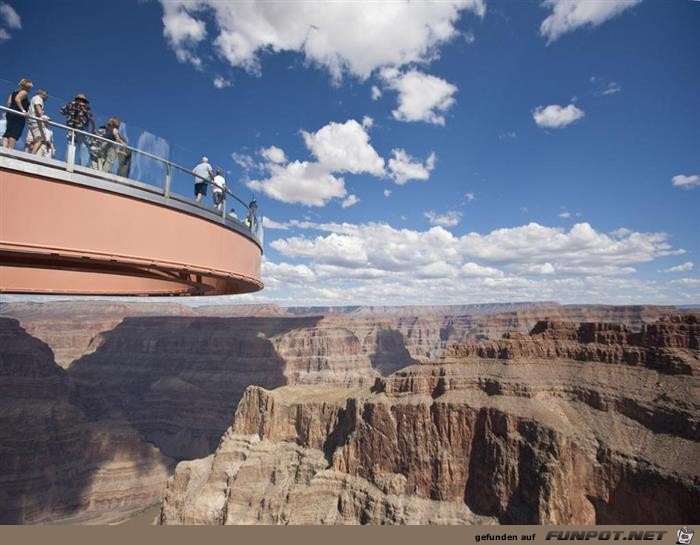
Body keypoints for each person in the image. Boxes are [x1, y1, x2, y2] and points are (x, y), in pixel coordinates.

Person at [60, 93, 95, 165]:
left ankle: (68, 162)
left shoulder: (71, 104)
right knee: (82, 146)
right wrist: (93, 128)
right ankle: (82, 165)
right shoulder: (85, 107)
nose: (82, 102)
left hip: (73, 128)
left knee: (72, 144)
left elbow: (62, 112)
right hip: (79, 129)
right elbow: (91, 118)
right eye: (83, 101)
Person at [2, 78, 32, 149]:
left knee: (8, 131)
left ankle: (4, 148)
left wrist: (9, 111)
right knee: (15, 133)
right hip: (18, 115)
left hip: (10, 113)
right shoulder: (24, 92)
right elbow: (17, 99)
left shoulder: (13, 92)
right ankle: (10, 150)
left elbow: (9, 103)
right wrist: (23, 110)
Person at [27, 89, 48, 155]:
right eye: (46, 95)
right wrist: (42, 116)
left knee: (35, 139)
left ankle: (31, 152)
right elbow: (37, 106)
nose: (46, 97)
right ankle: (32, 154)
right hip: (35, 120)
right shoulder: (38, 98)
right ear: (42, 94)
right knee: (40, 139)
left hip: (31, 120)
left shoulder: (33, 98)